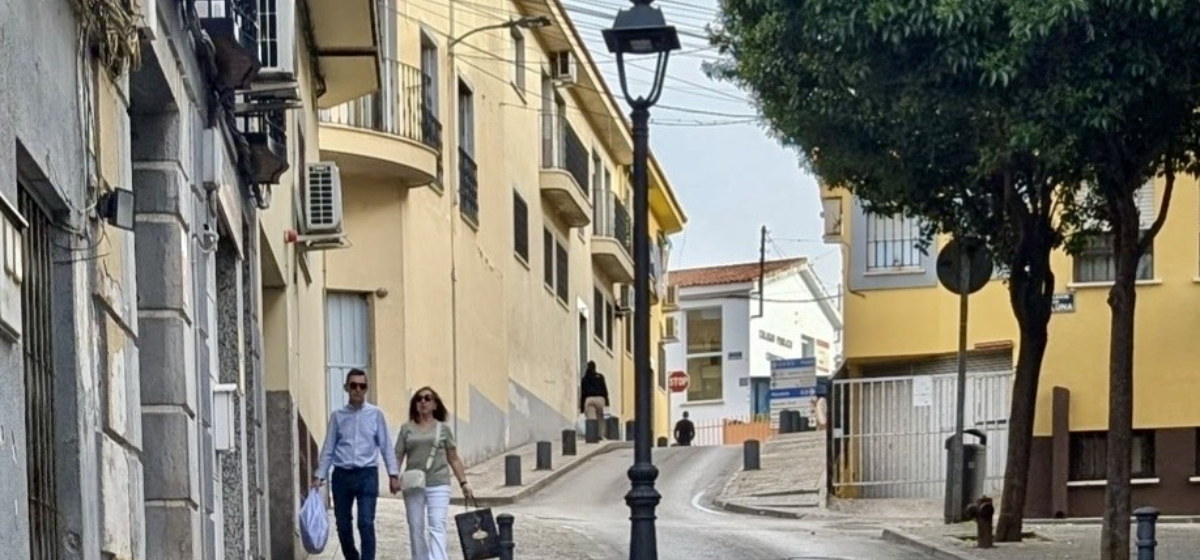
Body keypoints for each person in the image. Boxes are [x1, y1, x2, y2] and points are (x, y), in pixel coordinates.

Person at [311, 369, 400, 560]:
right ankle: (352, 557)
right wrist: (319, 475)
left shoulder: (376, 415)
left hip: (367, 474)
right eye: (353, 386)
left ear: (366, 388)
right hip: (342, 476)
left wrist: (393, 474)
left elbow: (386, 446)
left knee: (366, 522)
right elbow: (329, 447)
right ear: (346, 388)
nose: (358, 390)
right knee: (343, 525)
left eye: (362, 386)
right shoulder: (337, 416)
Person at [396, 387, 474, 560]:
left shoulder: (443, 429)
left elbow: (453, 458)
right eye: (419, 399)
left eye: (427, 398)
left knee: (437, 526)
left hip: (438, 482)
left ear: (435, 404)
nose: (423, 401)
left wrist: (464, 483)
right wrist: (394, 477)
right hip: (414, 483)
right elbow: (398, 455)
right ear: (414, 404)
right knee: (415, 527)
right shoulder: (406, 429)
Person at [579, 361, 609, 429]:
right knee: (600, 419)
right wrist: (607, 404)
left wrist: (582, 410)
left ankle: (592, 435)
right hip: (600, 399)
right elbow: (605, 392)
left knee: (591, 419)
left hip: (589, 400)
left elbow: (583, 395)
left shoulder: (584, 379)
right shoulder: (600, 377)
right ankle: (600, 435)